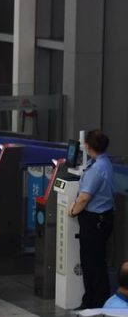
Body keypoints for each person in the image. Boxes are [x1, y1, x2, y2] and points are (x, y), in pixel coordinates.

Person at [68, 129, 115, 310]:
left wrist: (72, 211)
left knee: (91, 263)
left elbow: (84, 197)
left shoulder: (96, 169)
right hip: (103, 219)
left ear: (88, 146)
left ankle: (93, 303)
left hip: (94, 221)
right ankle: (94, 301)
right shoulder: (104, 163)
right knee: (96, 262)